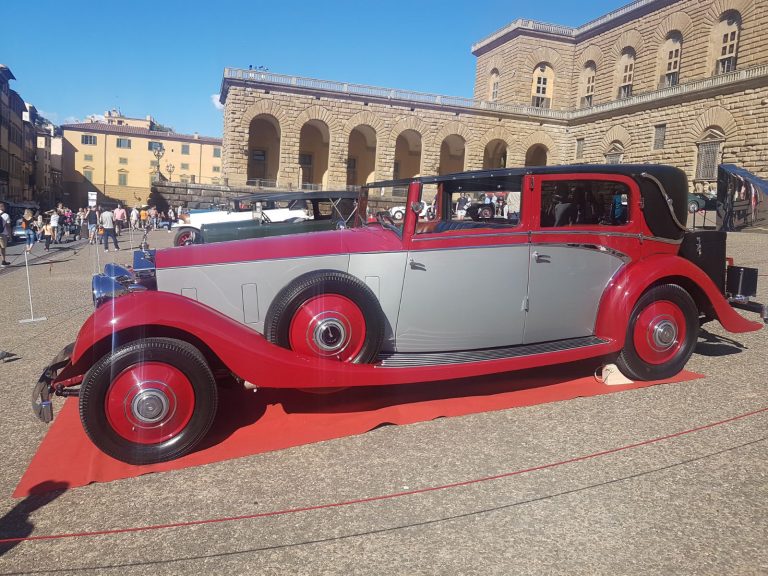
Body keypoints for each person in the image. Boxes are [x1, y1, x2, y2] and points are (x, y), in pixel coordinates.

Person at [0, 202, 11, 266]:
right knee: (2, 248)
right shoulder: (6, 215)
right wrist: (10, 235)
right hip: (2, 234)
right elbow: (8, 226)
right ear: (2, 207)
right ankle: (3, 261)